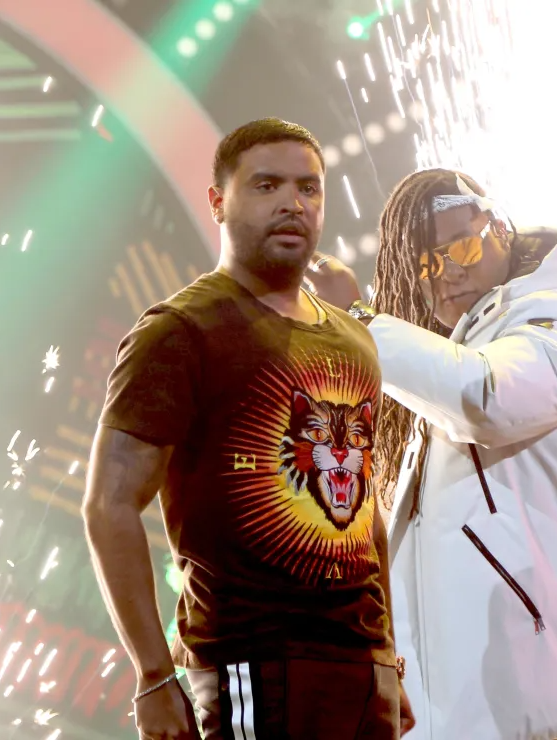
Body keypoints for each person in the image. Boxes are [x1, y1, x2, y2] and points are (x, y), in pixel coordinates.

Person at [83, 118, 411, 740]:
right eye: (267, 185)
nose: (293, 203)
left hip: (361, 669)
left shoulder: (355, 340)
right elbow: (109, 504)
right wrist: (153, 675)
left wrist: (388, 658)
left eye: (308, 188)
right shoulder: (178, 331)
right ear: (218, 202)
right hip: (249, 664)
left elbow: (366, 515)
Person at [308, 169, 557, 739]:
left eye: (462, 246)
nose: (448, 271)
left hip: (536, 699)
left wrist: (358, 322)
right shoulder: (454, 352)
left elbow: (490, 399)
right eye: (426, 264)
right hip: (476, 704)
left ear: (500, 228)